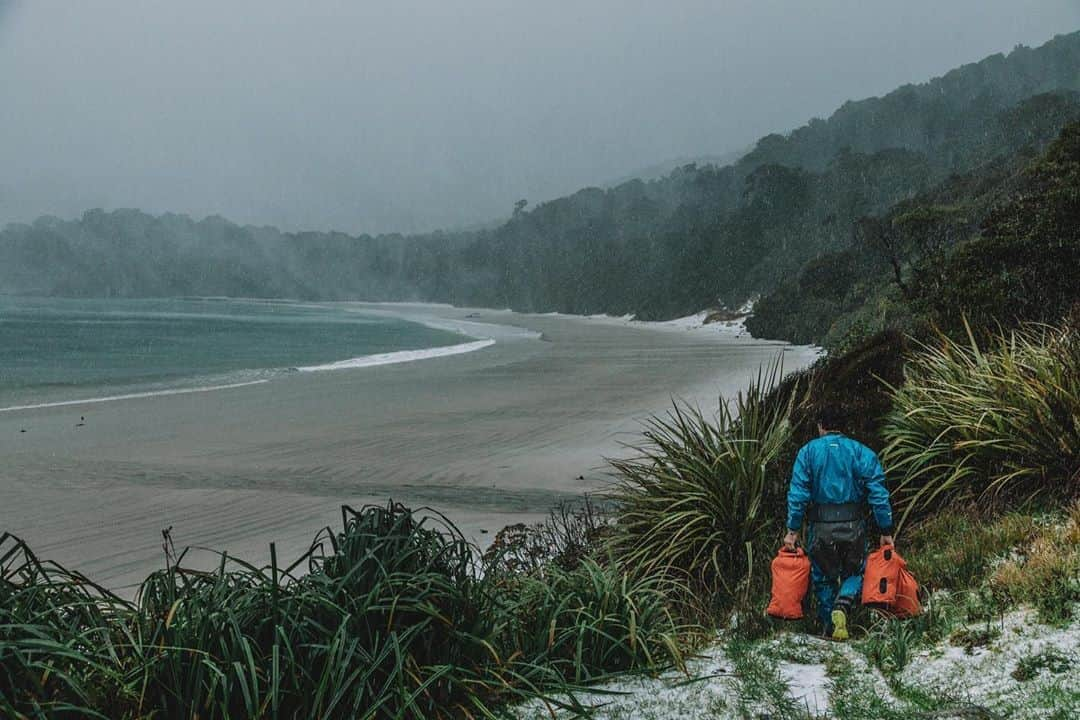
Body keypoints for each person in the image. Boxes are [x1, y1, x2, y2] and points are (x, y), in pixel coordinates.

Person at [783, 404, 894, 640]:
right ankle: (842, 606)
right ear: (843, 427)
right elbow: (878, 492)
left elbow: (798, 494)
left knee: (823, 576)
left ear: (821, 426)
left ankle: (829, 627)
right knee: (857, 570)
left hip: (820, 526)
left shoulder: (808, 452)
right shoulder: (861, 451)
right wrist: (885, 529)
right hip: (854, 524)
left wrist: (792, 530)